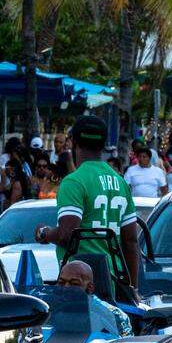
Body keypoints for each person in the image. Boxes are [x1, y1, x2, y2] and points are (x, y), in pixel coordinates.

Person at [36, 115, 141, 289]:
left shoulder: (74, 181)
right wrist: (133, 289)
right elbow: (130, 241)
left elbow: (65, 234)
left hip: (80, 284)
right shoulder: (120, 182)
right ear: (104, 143)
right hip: (113, 283)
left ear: (73, 141)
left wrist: (44, 233)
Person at [56, 260, 132, 336]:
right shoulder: (48, 310)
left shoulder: (112, 315)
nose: (65, 288)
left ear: (90, 288)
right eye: (61, 283)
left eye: (74, 284)